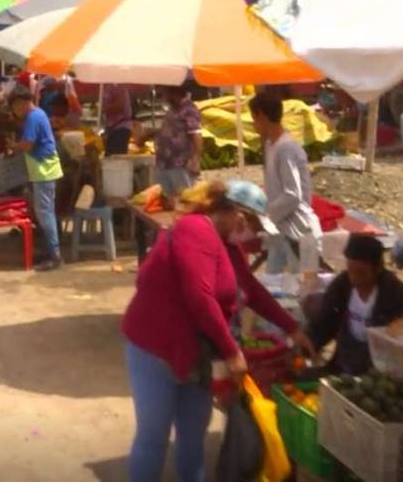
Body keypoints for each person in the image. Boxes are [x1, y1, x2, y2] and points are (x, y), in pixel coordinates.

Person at [121, 179, 313, 482]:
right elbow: (200, 296)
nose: (253, 231)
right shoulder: (194, 230)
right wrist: (231, 351)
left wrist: (291, 327)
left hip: (197, 355)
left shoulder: (229, 246)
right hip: (156, 348)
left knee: (193, 438)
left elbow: (251, 289)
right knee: (153, 438)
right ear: (234, 211)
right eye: (250, 221)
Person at [306, 235, 403, 376]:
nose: (354, 278)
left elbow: (397, 337)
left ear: (377, 269)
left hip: (377, 372)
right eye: (350, 270)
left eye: (361, 273)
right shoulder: (342, 285)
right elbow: (324, 323)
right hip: (342, 365)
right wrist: (307, 347)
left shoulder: (395, 293)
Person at [249, 91, 323, 275]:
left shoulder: (286, 148)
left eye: (254, 118)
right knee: (272, 283)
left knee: (303, 288)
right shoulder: (270, 145)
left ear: (262, 116)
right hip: (280, 230)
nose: (253, 124)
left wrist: (264, 217)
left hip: (298, 230)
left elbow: (293, 195)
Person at [8, 85, 64, 271]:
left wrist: (14, 146)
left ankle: (54, 254)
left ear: (21, 103)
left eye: (14, 107)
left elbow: (28, 145)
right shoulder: (38, 114)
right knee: (45, 212)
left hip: (44, 170)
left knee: (44, 213)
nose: (15, 112)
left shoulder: (33, 117)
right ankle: (51, 250)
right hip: (43, 170)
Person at [139, 86, 203, 201]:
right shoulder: (172, 110)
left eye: (165, 94)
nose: (164, 98)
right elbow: (168, 130)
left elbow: (196, 135)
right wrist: (149, 135)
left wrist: (196, 159)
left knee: (184, 198)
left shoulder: (189, 110)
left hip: (179, 164)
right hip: (164, 162)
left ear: (173, 93)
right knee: (165, 200)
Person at [102, 83, 133, 156]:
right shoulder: (107, 86)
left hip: (120, 127)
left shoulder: (118, 86)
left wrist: (104, 109)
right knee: (110, 156)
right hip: (112, 127)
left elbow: (120, 105)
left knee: (117, 157)